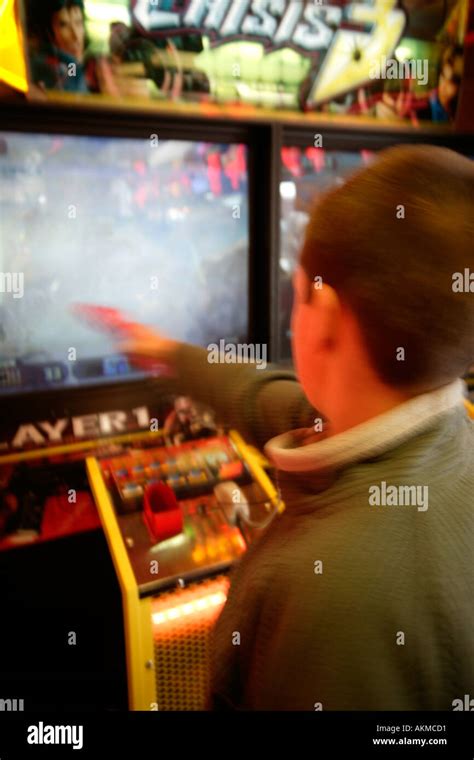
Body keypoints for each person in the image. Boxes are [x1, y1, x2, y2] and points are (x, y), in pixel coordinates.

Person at [119, 145, 474, 710]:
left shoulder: (323, 600)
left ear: (325, 311)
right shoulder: (445, 432)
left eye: (297, 290)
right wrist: (167, 354)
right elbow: (271, 402)